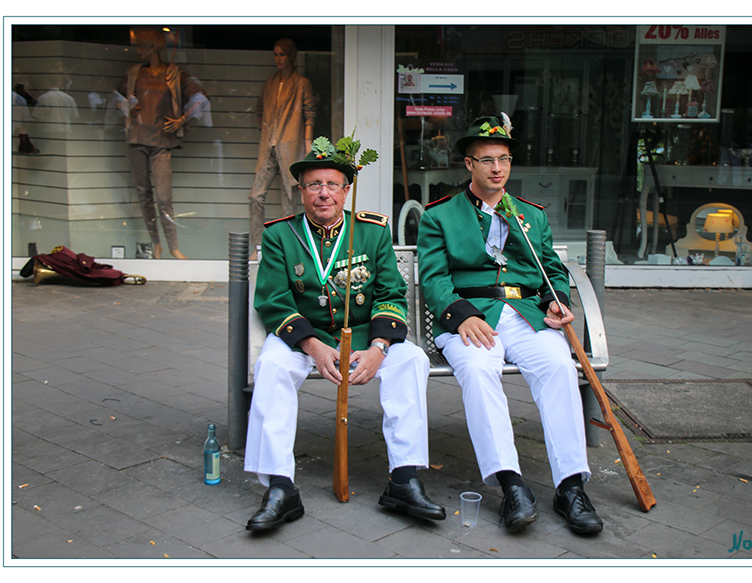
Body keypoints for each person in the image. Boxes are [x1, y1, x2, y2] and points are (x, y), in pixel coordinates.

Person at [243, 139, 445, 532]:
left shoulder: (369, 232)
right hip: (306, 336)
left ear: (346, 190)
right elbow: (272, 299)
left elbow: (390, 293)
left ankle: (404, 479)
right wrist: (313, 346)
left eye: (332, 184)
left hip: (367, 337)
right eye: (314, 184)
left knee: (413, 361)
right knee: (270, 366)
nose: (323, 193)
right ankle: (280, 487)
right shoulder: (281, 235)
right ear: (300, 191)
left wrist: (379, 348)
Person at [416, 115, 604, 536]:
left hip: (526, 315)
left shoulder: (530, 216)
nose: (496, 168)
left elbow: (552, 270)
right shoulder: (440, 216)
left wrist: (558, 302)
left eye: (503, 159)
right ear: (469, 165)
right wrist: (462, 315)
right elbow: (433, 278)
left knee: (559, 368)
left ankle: (571, 486)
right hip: (470, 317)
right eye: (486, 160)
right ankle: (511, 484)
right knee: (480, 371)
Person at [116, 28, 209, 260]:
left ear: (152, 47)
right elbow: (117, 98)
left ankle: (173, 247)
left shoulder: (175, 74)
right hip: (137, 138)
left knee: (163, 197)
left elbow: (201, 98)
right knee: (143, 194)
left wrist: (182, 119)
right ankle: (155, 243)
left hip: (161, 141)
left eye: (140, 45)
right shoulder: (134, 73)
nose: (137, 50)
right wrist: (129, 106)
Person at [247, 38, 317, 260]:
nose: (278, 58)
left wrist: (307, 145)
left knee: (289, 201)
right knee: (255, 196)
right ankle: (257, 247)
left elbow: (309, 114)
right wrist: (266, 130)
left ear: (291, 56)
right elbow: (259, 108)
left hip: (291, 146)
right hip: (268, 146)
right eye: (275, 54)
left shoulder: (301, 83)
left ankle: (288, 250)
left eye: (282, 54)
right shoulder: (270, 82)